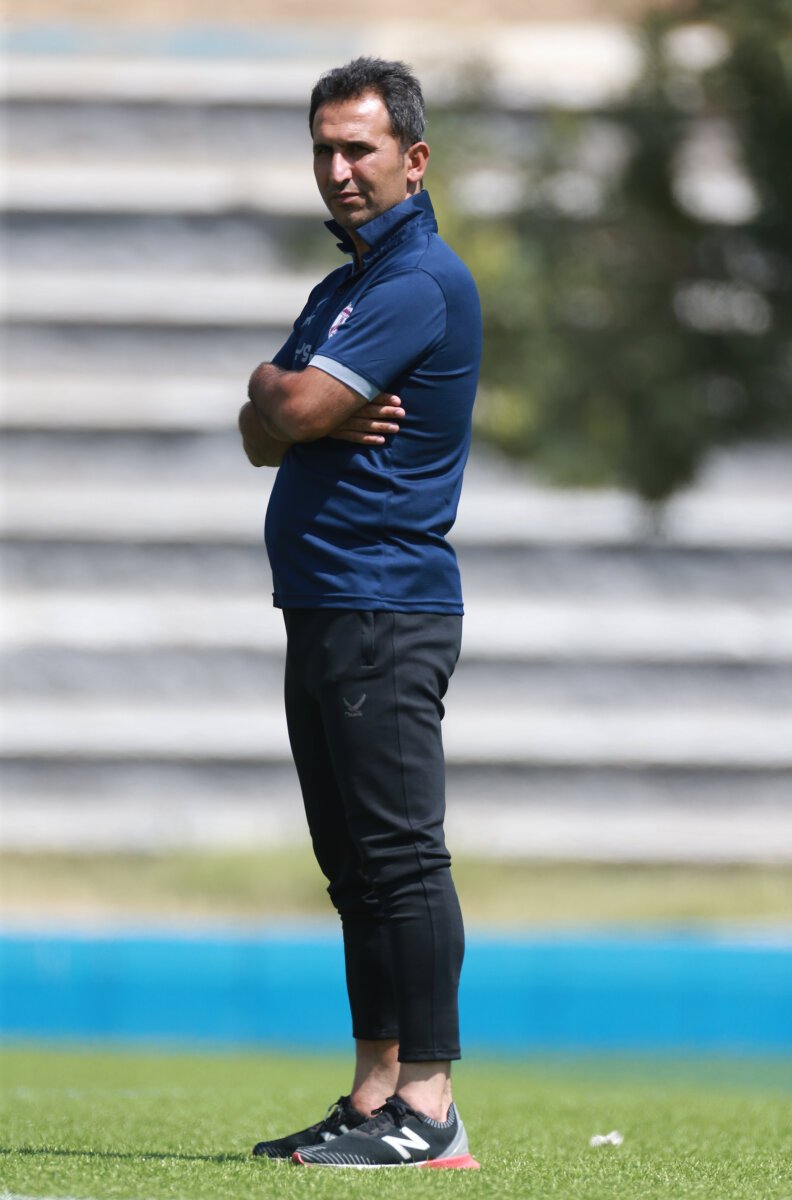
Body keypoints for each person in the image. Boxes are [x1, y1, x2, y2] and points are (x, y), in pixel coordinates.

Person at [238, 56, 482, 1170]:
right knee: (353, 865)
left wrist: (283, 395)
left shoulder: (413, 283)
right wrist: (280, 397)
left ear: (412, 159)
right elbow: (266, 430)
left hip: (381, 604)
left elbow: (292, 407)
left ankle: (428, 1111)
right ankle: (375, 1093)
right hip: (328, 603)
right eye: (324, 150)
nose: (338, 169)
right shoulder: (344, 287)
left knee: (400, 859)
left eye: (359, 148)